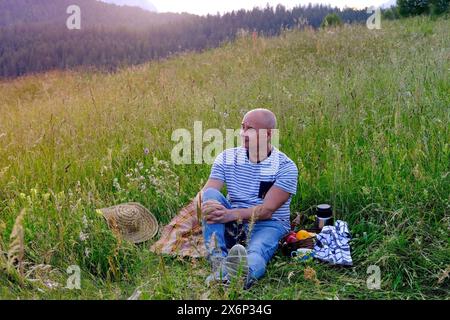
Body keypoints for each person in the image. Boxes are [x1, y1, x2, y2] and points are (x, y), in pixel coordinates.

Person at [201, 108, 298, 289]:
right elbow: (207, 192)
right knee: (210, 197)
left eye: (250, 129)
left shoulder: (286, 167)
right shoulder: (227, 158)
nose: (243, 134)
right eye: (242, 127)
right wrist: (204, 207)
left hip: (268, 224)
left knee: (257, 250)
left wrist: (228, 215)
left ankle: (241, 277)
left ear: (268, 134)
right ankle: (218, 262)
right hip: (233, 223)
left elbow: (267, 211)